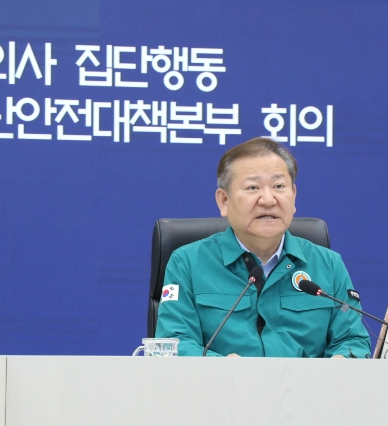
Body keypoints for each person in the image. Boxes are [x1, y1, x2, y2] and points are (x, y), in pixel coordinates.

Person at [155, 137, 371, 357]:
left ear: (294, 196)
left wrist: (342, 362)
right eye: (253, 187)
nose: (268, 199)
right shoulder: (187, 263)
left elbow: (352, 340)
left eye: (279, 186)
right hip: (225, 380)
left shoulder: (329, 265)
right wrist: (220, 367)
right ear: (224, 201)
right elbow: (174, 343)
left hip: (307, 381)